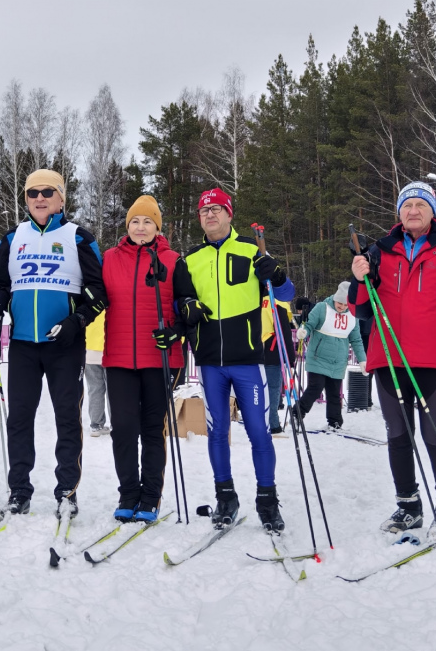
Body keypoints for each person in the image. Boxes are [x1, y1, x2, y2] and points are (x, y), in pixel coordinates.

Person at [350, 181, 436, 540]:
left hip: (435, 360)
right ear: (399, 212)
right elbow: (361, 309)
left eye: (421, 205)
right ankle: (408, 506)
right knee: (398, 434)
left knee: (434, 435)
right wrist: (359, 277)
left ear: (432, 211)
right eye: (407, 205)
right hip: (388, 358)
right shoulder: (379, 251)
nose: (413, 211)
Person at [0, 169, 107, 518]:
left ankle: (67, 491)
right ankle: (19, 490)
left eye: (47, 192)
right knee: (19, 419)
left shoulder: (78, 237)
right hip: (23, 343)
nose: (39, 198)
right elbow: (0, 286)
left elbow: (99, 291)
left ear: (61, 198)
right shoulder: (12, 238)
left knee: (67, 417)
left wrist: (77, 320)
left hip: (64, 345)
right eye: (32, 193)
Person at [175, 187, 289, 532]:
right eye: (204, 211)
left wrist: (277, 276)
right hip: (210, 361)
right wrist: (186, 306)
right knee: (217, 432)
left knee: (258, 432)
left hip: (248, 360)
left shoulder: (252, 250)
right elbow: (180, 300)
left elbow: (287, 293)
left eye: (217, 209)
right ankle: (225, 497)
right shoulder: (190, 259)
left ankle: (267, 500)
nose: (210, 215)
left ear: (229, 214)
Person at [101, 195, 186, 522]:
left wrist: (175, 331)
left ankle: (150, 496)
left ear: (157, 227)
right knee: (123, 428)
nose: (140, 227)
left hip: (160, 358)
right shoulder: (109, 259)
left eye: (148, 221)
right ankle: (128, 493)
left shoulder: (174, 260)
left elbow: (187, 306)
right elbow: (92, 295)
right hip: (119, 358)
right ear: (127, 226)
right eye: (135, 221)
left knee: (152, 429)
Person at [296, 280, 366, 430]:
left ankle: (335, 422)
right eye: (339, 303)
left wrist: (362, 360)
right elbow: (309, 324)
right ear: (335, 298)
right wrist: (303, 332)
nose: (342, 307)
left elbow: (356, 339)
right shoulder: (322, 308)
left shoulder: (353, 315)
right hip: (318, 357)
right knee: (315, 388)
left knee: (334, 393)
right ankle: (297, 413)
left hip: (338, 361)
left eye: (346, 305)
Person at [262, 278, 296, 435]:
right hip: (272, 352)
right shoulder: (278, 303)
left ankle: (259, 420)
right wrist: (290, 358)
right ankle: (273, 423)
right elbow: (284, 333)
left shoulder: (257, 299)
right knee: (273, 388)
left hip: (254, 351)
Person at [85, 313, 110, 437]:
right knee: (113, 390)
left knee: (94, 388)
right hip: (110, 350)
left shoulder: (90, 306)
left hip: (90, 349)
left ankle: (96, 424)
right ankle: (117, 423)